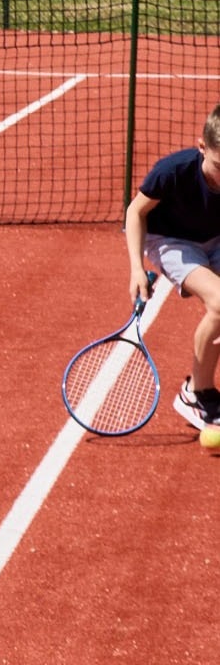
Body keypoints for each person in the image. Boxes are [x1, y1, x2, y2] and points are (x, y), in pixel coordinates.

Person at [121, 103, 220, 431]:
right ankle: (196, 392)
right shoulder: (172, 171)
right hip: (171, 241)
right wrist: (137, 268)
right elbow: (135, 213)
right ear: (201, 147)